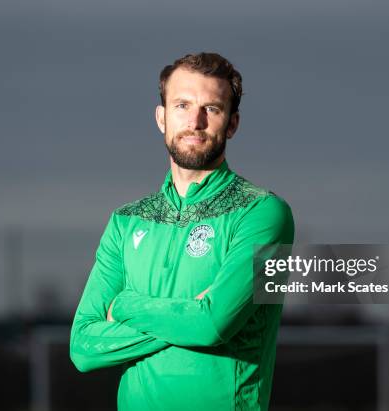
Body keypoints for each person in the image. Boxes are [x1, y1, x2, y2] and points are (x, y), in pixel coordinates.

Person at [70, 52, 295, 411]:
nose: (195, 121)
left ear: (233, 124)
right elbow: (82, 348)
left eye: (213, 109)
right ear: (161, 117)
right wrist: (187, 313)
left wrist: (125, 305)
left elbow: (212, 325)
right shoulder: (126, 221)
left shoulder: (264, 212)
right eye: (182, 105)